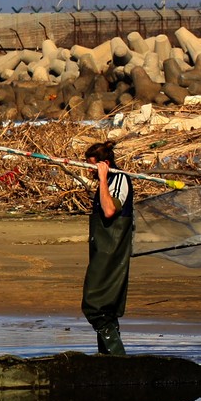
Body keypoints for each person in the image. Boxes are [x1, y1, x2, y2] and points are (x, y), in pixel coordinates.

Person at [81, 141, 133, 356]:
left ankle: (118, 357)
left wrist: (102, 178)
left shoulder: (119, 179)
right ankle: (107, 357)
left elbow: (110, 210)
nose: (89, 171)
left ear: (105, 164)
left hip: (112, 251)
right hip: (101, 249)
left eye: (92, 166)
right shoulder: (107, 182)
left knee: (95, 305)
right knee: (106, 309)